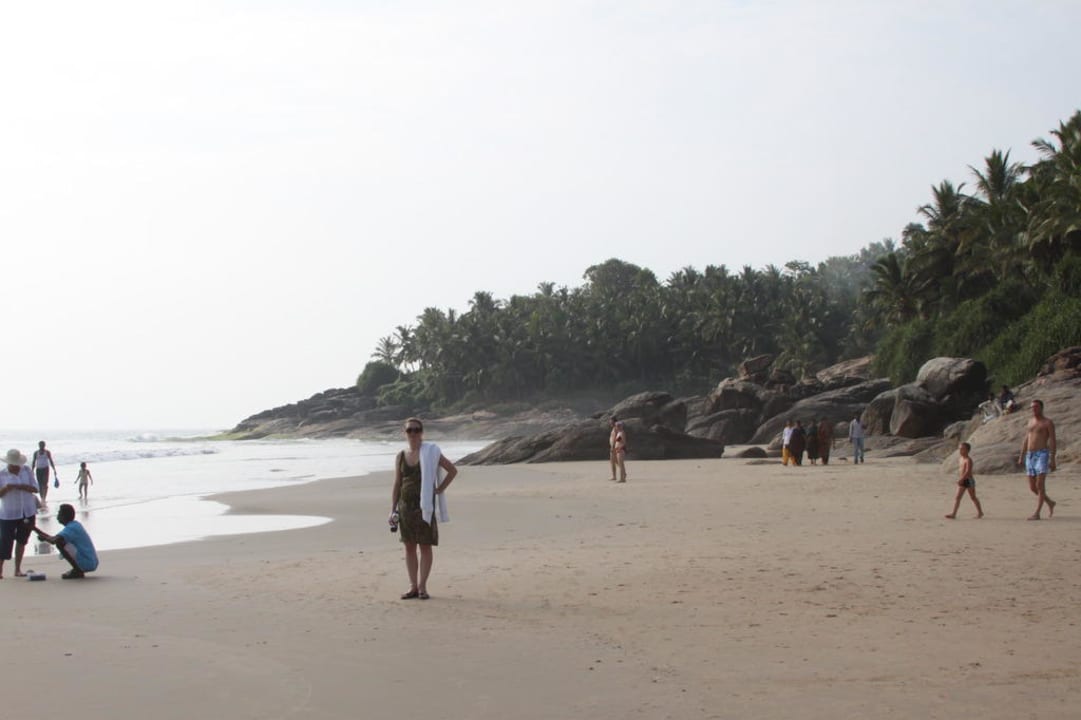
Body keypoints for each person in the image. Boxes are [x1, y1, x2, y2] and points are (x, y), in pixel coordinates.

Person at [390, 418, 458, 600]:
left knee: (425, 546)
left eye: (416, 430)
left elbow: (452, 470)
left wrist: (440, 489)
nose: (413, 434)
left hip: (424, 506)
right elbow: (397, 483)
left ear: (422, 432)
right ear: (404, 433)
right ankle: (412, 586)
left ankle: (422, 587)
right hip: (405, 507)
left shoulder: (431, 452)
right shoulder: (401, 456)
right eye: (409, 430)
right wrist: (393, 509)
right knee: (409, 547)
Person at [0, 449, 40, 578]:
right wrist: (7, 488)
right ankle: (0, 569)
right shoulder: (2, 474)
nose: (16, 467)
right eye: (13, 465)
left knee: (22, 540)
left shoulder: (26, 471)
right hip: (8, 513)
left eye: (17, 465)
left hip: (27, 510)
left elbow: (36, 488)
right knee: (5, 541)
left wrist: (21, 486)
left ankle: (17, 569)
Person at [32, 503, 99, 578]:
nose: (57, 516)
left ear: (64, 516)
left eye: (59, 513)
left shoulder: (71, 528)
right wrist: (34, 529)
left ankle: (77, 571)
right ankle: (77, 569)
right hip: (91, 561)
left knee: (60, 544)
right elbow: (53, 538)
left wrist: (43, 536)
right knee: (61, 541)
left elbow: (54, 540)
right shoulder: (74, 525)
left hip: (87, 562)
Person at [1017, 399, 1056, 520]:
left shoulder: (1047, 422)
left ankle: (1037, 513)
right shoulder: (1030, 422)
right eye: (1032, 407)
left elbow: (1053, 441)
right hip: (1030, 455)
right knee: (1033, 487)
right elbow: (1026, 439)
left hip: (1042, 454)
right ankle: (1049, 502)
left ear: (1041, 408)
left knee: (1040, 485)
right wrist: (1021, 455)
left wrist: (1052, 458)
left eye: (1036, 407)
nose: (1033, 409)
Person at [946, 442, 983, 519]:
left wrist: (961, 479)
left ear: (967, 450)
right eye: (960, 449)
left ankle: (980, 512)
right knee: (958, 497)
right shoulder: (961, 459)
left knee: (973, 497)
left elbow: (968, 471)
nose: (960, 450)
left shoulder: (968, 460)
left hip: (969, 480)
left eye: (962, 449)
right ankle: (954, 514)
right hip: (963, 480)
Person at [608, 416, 621, 481]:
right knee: (613, 461)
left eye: (610, 421)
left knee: (614, 461)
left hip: (614, 447)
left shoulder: (616, 428)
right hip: (613, 446)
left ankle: (622, 473)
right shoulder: (614, 428)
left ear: (613, 421)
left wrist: (615, 445)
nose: (609, 422)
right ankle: (615, 476)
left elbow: (619, 437)